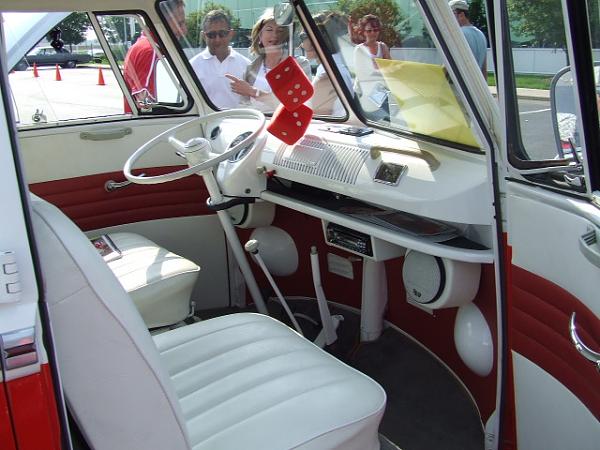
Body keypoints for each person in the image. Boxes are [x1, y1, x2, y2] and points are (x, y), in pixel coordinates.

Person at [226, 9, 311, 112]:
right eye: (269, 30)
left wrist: (253, 92)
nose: (275, 35)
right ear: (260, 36)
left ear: (286, 36)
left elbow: (295, 105)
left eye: (280, 31)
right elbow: (244, 107)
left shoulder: (300, 64)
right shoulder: (251, 69)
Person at [122, 0, 187, 113]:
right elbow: (146, 104)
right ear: (161, 21)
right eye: (179, 24)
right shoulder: (152, 52)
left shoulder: (143, 45)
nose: (184, 31)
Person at [189, 10, 250, 109]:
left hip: (238, 122)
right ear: (204, 36)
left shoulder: (246, 65)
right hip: (205, 123)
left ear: (231, 34)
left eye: (222, 33)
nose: (217, 39)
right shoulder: (191, 66)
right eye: (211, 35)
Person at [353, 14, 391, 120]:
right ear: (363, 32)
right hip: (363, 92)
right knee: (367, 121)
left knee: (386, 119)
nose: (373, 33)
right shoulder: (359, 49)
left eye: (375, 29)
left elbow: (389, 67)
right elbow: (361, 73)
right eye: (369, 30)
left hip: (380, 90)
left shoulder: (382, 46)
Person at [448, 0, 487, 76]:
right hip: (473, 85)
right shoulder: (480, 34)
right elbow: (483, 68)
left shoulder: (458, 34)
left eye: (450, 15)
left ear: (461, 15)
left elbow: (449, 65)